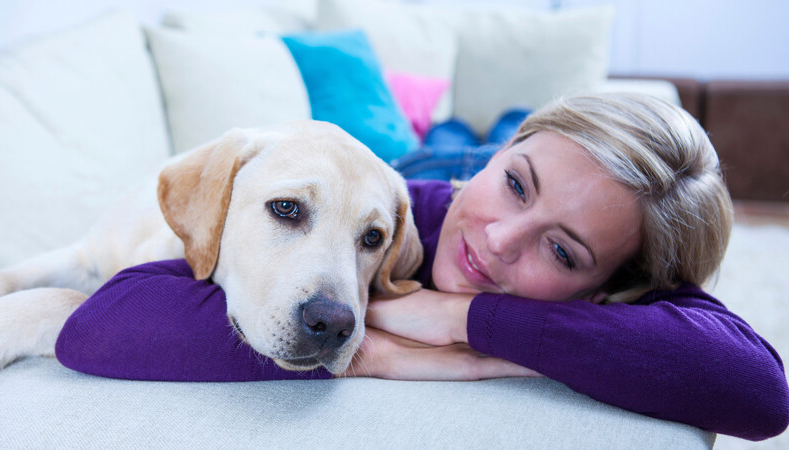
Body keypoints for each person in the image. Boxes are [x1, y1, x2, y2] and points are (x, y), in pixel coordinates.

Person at [55, 93, 789, 441]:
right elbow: (97, 328)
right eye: (518, 181)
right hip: (424, 172)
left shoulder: (625, 257)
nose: (499, 240)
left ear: (610, 293)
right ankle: (471, 132)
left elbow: (756, 389)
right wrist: (371, 345)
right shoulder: (403, 211)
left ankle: (482, 131)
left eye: (562, 251)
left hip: (451, 173)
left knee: (468, 133)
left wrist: (465, 320)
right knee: (439, 136)